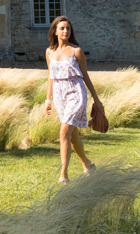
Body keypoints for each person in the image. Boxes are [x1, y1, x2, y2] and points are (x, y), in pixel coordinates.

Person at [43, 15, 103, 183]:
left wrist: (96, 100)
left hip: (76, 93)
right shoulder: (49, 52)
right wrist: (48, 100)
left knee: (63, 132)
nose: (65, 31)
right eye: (62, 28)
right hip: (59, 95)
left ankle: (64, 174)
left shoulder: (76, 51)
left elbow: (85, 76)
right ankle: (88, 165)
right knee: (72, 135)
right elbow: (51, 76)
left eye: (68, 28)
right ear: (55, 31)